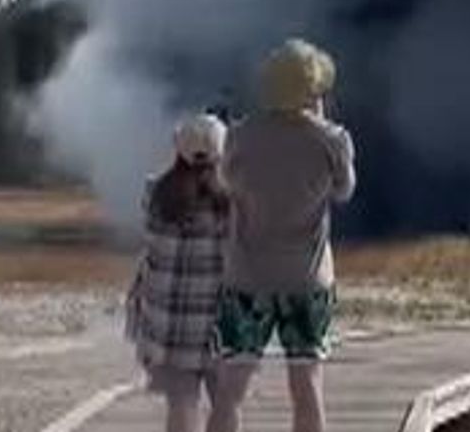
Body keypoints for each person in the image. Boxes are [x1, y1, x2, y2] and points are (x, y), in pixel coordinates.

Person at [209, 39, 356, 432]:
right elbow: (343, 191)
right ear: (314, 89)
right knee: (307, 386)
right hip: (307, 280)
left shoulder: (240, 136)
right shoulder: (333, 140)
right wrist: (319, 124)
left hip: (247, 279)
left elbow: (226, 184)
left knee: (231, 388)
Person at [125, 113, 231, 432]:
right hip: (220, 325)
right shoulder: (233, 202)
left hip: (168, 324)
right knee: (226, 405)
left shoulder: (154, 193)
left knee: (181, 405)